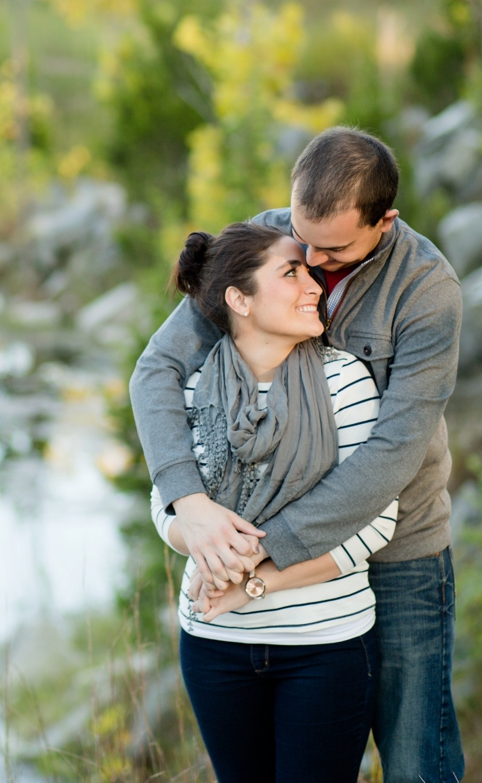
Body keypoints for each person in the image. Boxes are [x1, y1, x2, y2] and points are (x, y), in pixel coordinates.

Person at [131, 127, 464, 783]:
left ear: (385, 221)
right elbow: (157, 371)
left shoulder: (427, 291)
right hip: (266, 602)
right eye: (301, 239)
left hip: (400, 550)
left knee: (413, 759)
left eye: (332, 248)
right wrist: (189, 507)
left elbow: (394, 452)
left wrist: (264, 549)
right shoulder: (267, 248)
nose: (310, 261)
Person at [154, 220, 396, 783]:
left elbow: (374, 522)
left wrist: (253, 581)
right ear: (239, 299)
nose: (314, 285)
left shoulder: (346, 383)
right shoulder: (193, 388)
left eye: (309, 272)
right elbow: (164, 502)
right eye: (291, 273)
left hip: (325, 648)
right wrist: (207, 541)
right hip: (213, 647)